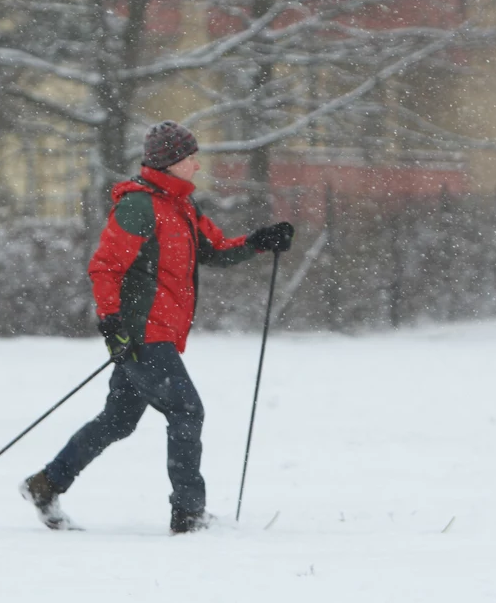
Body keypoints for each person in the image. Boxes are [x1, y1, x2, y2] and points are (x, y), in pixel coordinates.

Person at [20, 120, 294, 534]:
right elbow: (106, 267)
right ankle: (188, 514)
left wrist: (259, 241)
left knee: (118, 421)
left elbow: (215, 250)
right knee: (187, 411)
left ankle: (46, 483)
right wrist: (112, 322)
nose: (198, 165)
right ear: (171, 162)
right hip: (143, 333)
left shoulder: (181, 207)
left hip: (157, 331)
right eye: (191, 158)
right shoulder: (139, 206)